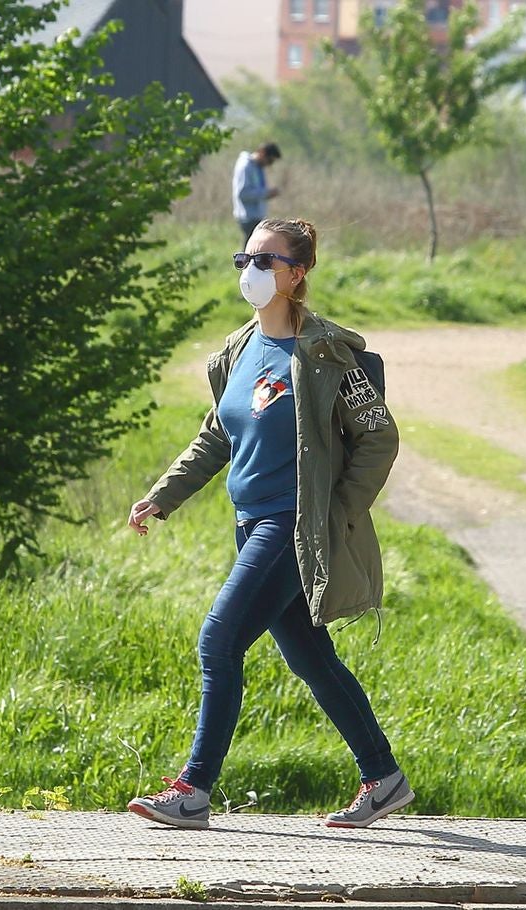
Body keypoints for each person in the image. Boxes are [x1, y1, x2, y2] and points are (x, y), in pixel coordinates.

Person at [124, 217, 413, 831]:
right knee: (310, 658)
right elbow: (216, 436)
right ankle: (383, 778)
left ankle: (193, 790)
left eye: (265, 262)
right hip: (250, 521)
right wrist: (162, 495)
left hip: (291, 525)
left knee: (219, 640)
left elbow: (379, 436)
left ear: (297, 273)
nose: (250, 272)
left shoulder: (330, 353)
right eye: (244, 260)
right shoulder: (236, 350)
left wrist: (337, 513)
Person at [232, 143, 281, 248]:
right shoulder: (245, 166)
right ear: (262, 152)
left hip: (257, 216)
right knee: (250, 252)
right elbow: (242, 193)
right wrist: (266, 193)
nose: (269, 164)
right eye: (270, 160)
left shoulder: (258, 168)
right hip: (248, 217)